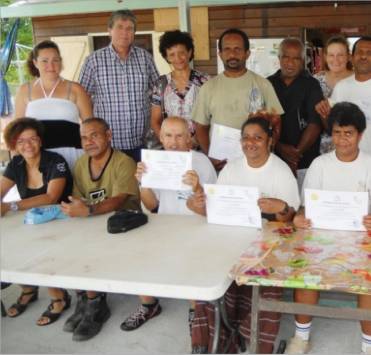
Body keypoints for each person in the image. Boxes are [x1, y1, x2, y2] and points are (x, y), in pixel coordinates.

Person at [186, 116, 300, 354]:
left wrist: (280, 208)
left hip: (268, 242)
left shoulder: (281, 171)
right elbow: (218, 208)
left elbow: (290, 220)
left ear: (269, 141)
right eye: (246, 137)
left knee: (267, 280)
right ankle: (210, 340)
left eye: (258, 137)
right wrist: (198, 204)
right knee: (212, 274)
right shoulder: (232, 167)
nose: (251, 142)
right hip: (233, 236)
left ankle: (254, 338)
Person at [287, 102, 371, 354]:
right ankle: (301, 337)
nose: (342, 139)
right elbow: (306, 207)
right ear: (330, 133)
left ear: (360, 135)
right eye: (337, 132)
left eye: (349, 133)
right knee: (306, 275)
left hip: (362, 240)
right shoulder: (320, 165)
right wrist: (299, 217)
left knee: (370, 282)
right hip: (322, 237)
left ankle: (370, 347)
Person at [119, 117, 216, 337]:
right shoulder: (155, 161)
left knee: (195, 256)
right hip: (165, 225)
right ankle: (149, 305)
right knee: (136, 251)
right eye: (169, 135)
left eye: (180, 135)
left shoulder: (201, 162)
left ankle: (195, 310)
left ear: (189, 138)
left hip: (197, 225)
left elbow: (212, 207)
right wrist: (143, 182)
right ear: (161, 137)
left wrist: (197, 187)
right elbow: (152, 205)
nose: (174, 141)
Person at [59, 117, 141, 341]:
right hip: (95, 222)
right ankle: (84, 300)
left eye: (94, 135)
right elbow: (79, 199)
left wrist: (88, 211)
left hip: (125, 224)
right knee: (67, 243)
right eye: (84, 138)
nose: (88, 142)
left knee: (89, 249)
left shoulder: (124, 161)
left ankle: (96, 306)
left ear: (108, 135)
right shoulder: (80, 164)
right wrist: (77, 211)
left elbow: (118, 200)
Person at [1, 118, 73, 326]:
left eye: (32, 138)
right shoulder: (16, 163)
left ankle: (59, 297)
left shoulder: (55, 160)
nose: (28, 144)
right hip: (32, 220)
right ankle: (28, 289)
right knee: (9, 242)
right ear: (14, 145)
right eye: (21, 141)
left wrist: (9, 206)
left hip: (61, 218)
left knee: (40, 250)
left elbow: (51, 197)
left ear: (40, 141)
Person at [191, 28, 284, 171]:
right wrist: (210, 156)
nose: (232, 54)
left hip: (257, 164)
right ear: (220, 54)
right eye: (227, 50)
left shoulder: (263, 85)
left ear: (247, 53)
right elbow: (201, 127)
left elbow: (276, 123)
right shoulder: (208, 88)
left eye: (237, 49)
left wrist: (268, 150)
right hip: (221, 165)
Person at [316, 36, 371, 181]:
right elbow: (331, 129)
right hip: (346, 166)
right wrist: (323, 114)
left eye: (369, 53)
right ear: (352, 57)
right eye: (360, 52)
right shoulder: (342, 88)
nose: (363, 56)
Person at [78, 10, 160, 163]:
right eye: (119, 27)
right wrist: (92, 133)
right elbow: (82, 99)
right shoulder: (93, 61)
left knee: (143, 185)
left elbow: (159, 93)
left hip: (143, 141)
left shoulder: (145, 58)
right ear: (110, 31)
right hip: (110, 143)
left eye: (129, 28)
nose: (124, 32)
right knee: (114, 186)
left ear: (134, 33)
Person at [13, 40, 93, 172]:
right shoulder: (24, 90)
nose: (51, 65)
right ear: (35, 63)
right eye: (45, 60)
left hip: (72, 154)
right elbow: (16, 132)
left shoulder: (75, 88)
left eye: (55, 60)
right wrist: (16, 164)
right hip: (37, 156)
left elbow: (90, 126)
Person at [267, 37, 324, 179]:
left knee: (304, 199)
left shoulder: (312, 85)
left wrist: (294, 156)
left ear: (303, 60)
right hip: (274, 157)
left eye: (296, 58)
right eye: (286, 57)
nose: (290, 63)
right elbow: (263, 122)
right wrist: (279, 147)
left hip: (305, 159)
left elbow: (315, 124)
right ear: (279, 57)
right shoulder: (268, 84)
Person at [149, 30, 210, 149]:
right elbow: (155, 120)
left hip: (200, 146)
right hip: (171, 149)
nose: (177, 58)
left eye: (181, 52)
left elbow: (210, 117)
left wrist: (193, 142)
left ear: (189, 51)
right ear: (167, 57)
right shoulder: (161, 84)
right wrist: (167, 144)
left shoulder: (204, 81)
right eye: (172, 54)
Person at [313, 36, 353, 154]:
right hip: (322, 148)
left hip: (352, 145)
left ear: (348, 57)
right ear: (325, 57)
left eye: (340, 55)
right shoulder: (315, 81)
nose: (336, 59)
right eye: (331, 55)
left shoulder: (358, 80)